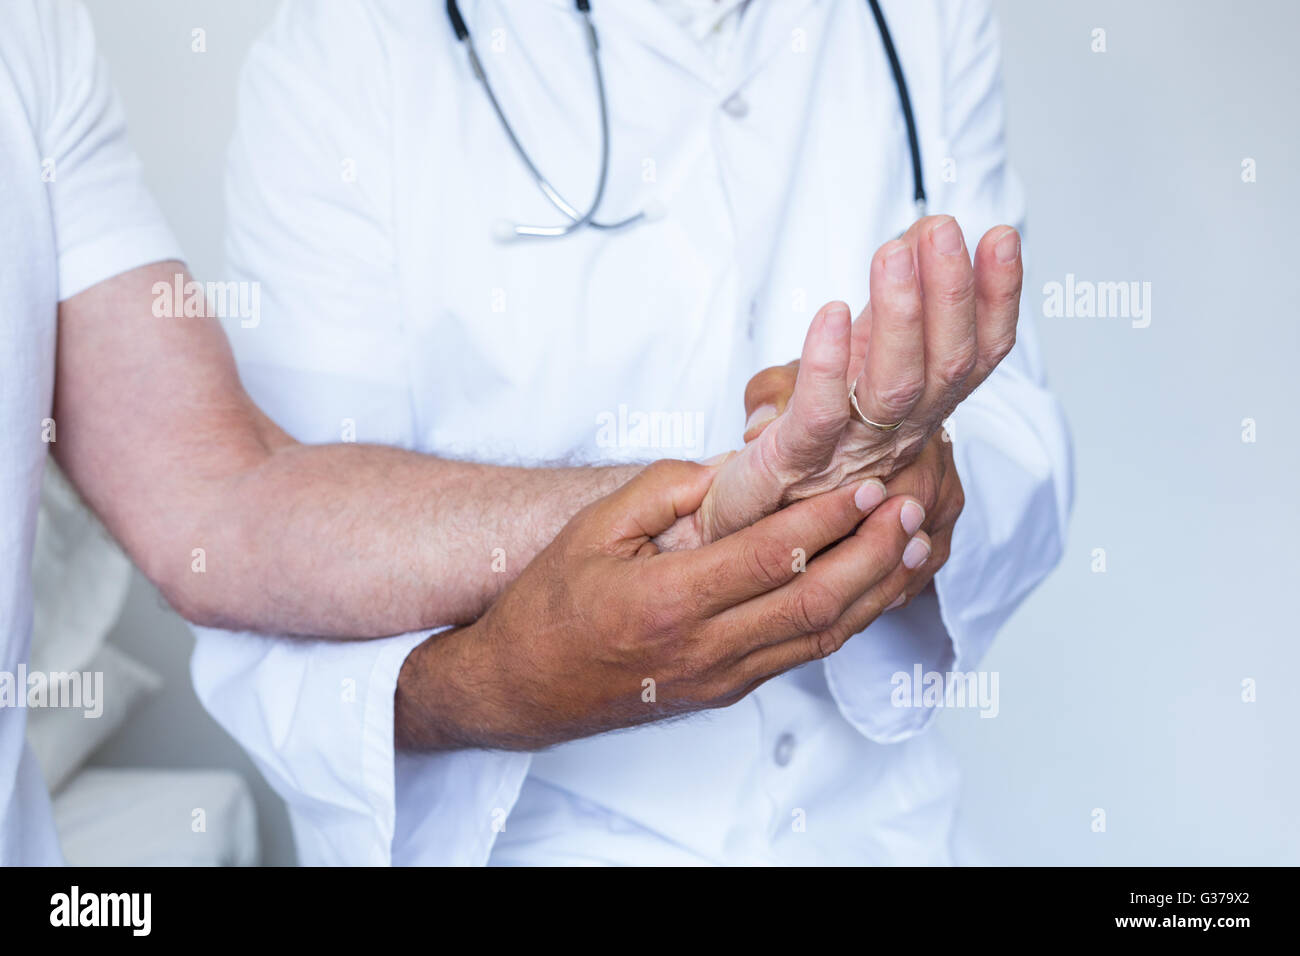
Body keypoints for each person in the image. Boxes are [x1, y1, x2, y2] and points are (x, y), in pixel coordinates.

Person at [0, 0, 903, 865]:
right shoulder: (342, 52)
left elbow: (213, 499)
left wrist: (726, 499)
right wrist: (724, 507)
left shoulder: (31, 33)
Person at [189, 0, 1073, 865]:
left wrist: (920, 488)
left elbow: (1016, 433)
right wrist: (499, 686)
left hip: (881, 833)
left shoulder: (924, 17)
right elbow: (272, 562)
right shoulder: (349, 47)